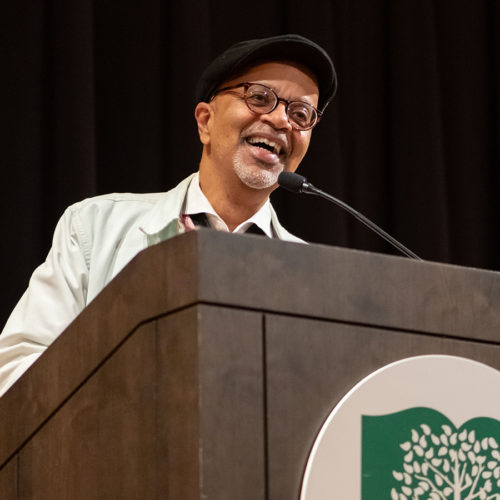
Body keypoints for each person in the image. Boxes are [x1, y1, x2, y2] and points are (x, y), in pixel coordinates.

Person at [0, 34, 337, 396]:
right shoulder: (94, 228)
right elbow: (15, 373)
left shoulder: (315, 276)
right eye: (259, 98)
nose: (281, 120)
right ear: (205, 121)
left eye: (300, 114)